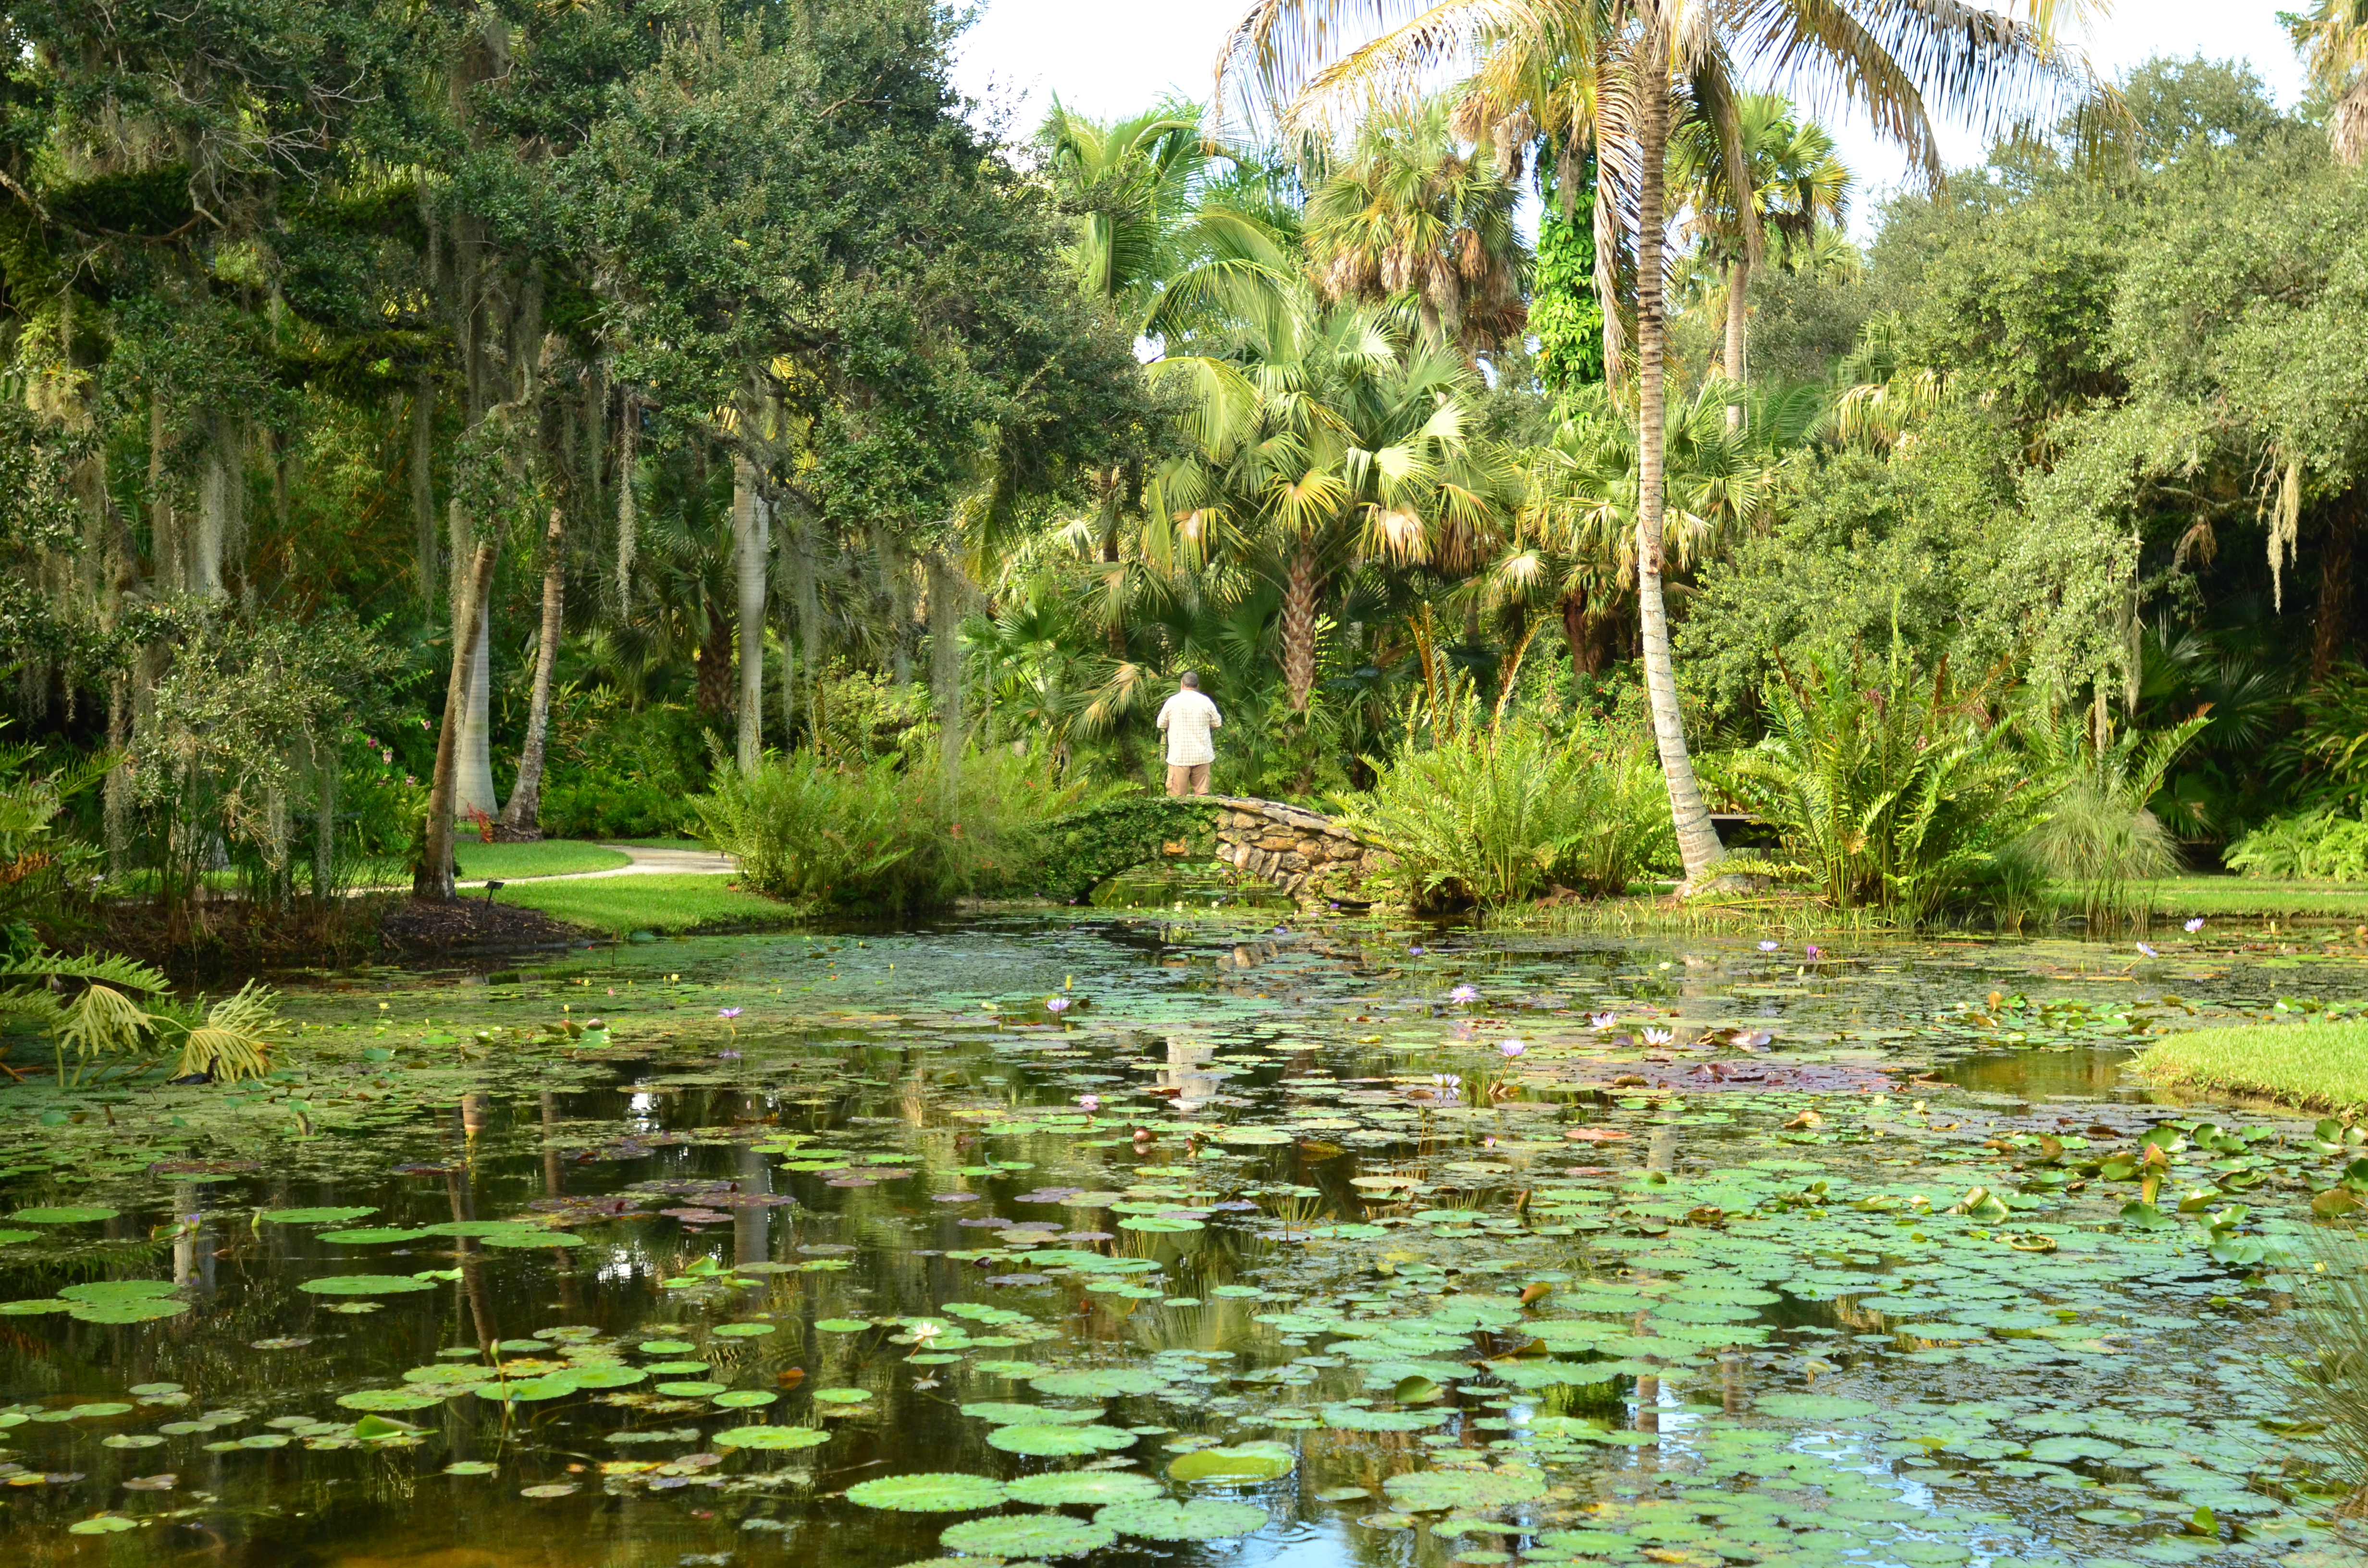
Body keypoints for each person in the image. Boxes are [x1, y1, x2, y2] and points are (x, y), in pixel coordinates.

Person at [1156, 671, 1222, 796]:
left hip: (1179, 757)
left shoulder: (1172, 702)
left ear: (1182, 685)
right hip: (1202, 756)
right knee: (1202, 797)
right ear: (1197, 686)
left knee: (1177, 798)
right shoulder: (1206, 702)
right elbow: (1218, 723)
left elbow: (1161, 725)